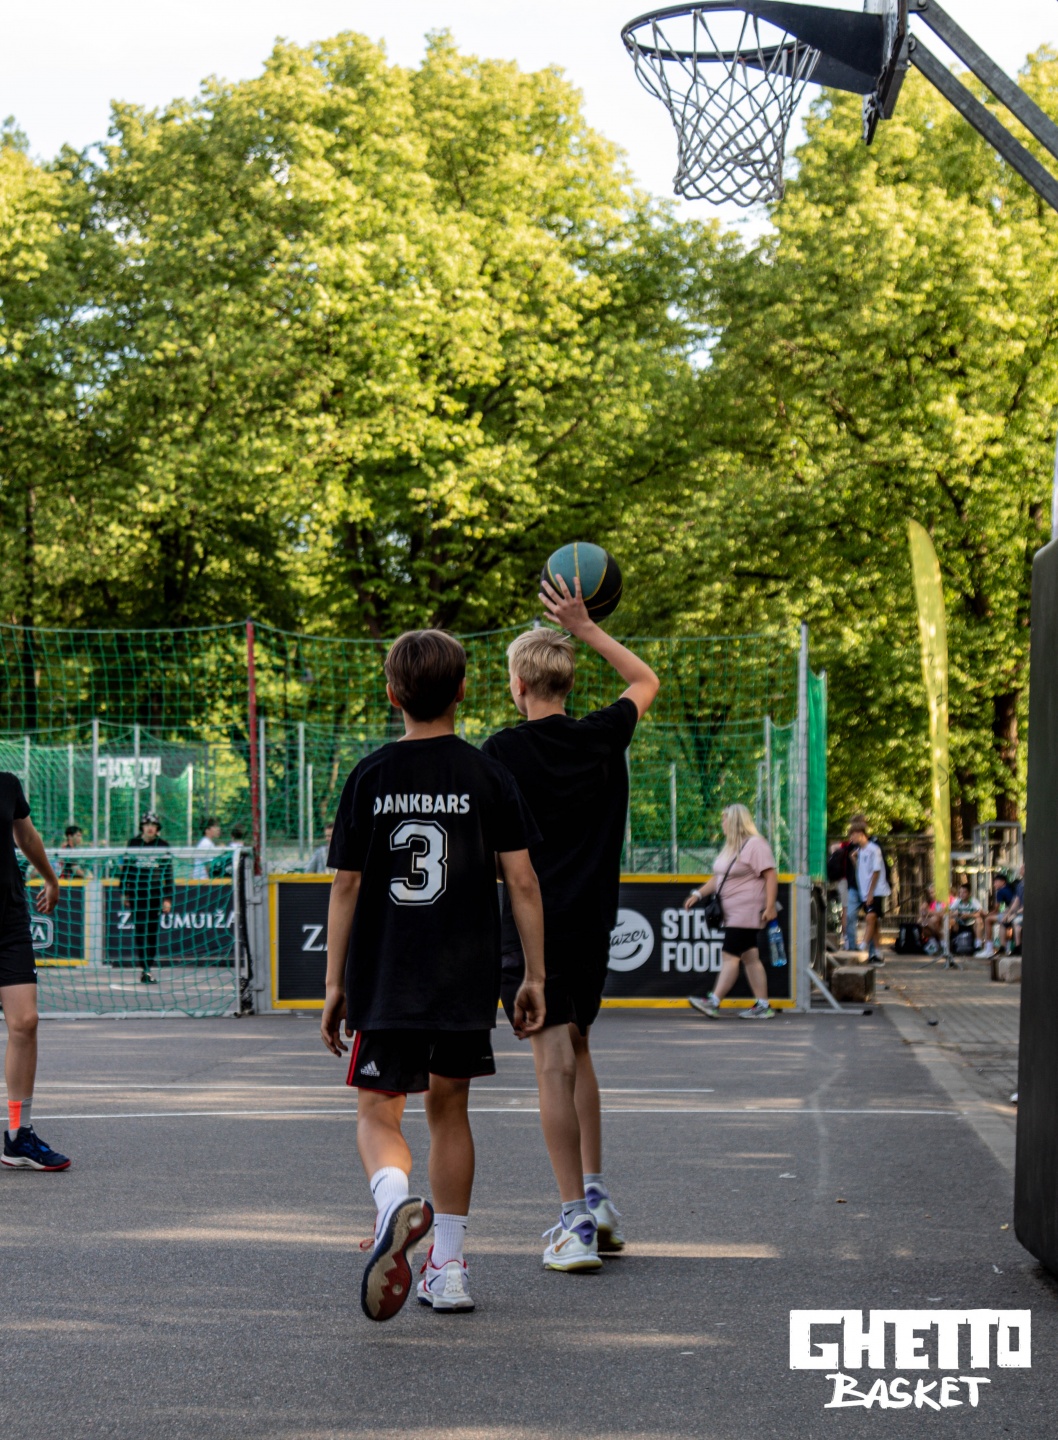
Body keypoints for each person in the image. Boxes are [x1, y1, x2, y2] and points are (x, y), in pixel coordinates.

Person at [321, 629, 546, 1322]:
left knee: (376, 1110)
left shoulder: (370, 775)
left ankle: (394, 1202)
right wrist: (534, 975)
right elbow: (523, 882)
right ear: (463, 690)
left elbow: (346, 886)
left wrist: (333, 985)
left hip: (386, 974)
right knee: (450, 1111)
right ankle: (447, 1267)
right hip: (463, 976)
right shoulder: (488, 775)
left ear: (392, 695)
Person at [481, 577, 659, 1268]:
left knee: (551, 1062)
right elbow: (644, 679)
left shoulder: (501, 752)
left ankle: (574, 1222)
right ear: (567, 681)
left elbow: (495, 856)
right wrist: (585, 626)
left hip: (534, 924)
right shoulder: (602, 737)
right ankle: (596, 1196)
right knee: (578, 1048)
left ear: (520, 685)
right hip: (592, 920)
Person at [0, 771, 69, 1170]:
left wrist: (50, 878)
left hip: (9, 917)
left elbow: (25, 836)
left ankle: (18, 1135)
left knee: (25, 1021)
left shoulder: (6, 784)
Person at [685, 805, 780, 1019]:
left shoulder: (756, 844)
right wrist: (698, 894)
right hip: (732, 913)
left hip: (746, 912)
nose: (722, 823)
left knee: (730, 956)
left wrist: (770, 906)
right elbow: (719, 877)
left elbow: (770, 875)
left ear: (735, 821)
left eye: (724, 819)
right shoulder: (731, 847)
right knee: (750, 957)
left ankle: (714, 1001)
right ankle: (763, 1005)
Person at [118, 812, 174, 985]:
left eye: (153, 825)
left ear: (157, 828)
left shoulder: (163, 845)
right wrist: (124, 891)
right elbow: (126, 870)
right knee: (140, 931)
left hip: (155, 894)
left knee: (152, 932)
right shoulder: (134, 844)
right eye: (147, 825)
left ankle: (148, 968)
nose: (150, 828)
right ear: (142, 827)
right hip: (137, 894)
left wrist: (167, 898)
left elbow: (168, 873)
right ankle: (145, 968)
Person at [849, 821, 889, 964]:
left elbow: (876, 872)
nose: (851, 839)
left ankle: (863, 944)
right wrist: (854, 859)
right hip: (865, 891)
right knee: (875, 923)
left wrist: (871, 893)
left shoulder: (874, 849)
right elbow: (862, 870)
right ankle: (878, 953)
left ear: (861, 834)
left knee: (870, 917)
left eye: (853, 835)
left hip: (876, 890)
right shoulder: (860, 851)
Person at [950, 881, 984, 950]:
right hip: (959, 923)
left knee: (979, 920)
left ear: (969, 893)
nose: (961, 894)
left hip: (971, 924)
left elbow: (980, 913)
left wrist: (968, 915)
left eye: (964, 892)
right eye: (960, 892)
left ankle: (978, 945)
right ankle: (950, 943)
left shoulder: (973, 901)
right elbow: (949, 912)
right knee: (950, 921)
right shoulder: (957, 901)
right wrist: (954, 914)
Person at [918, 884, 945, 954]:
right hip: (932, 922)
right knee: (921, 921)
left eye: (932, 892)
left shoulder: (942, 900)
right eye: (929, 893)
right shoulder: (929, 902)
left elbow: (942, 913)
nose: (931, 895)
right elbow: (923, 912)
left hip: (943, 921)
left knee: (934, 919)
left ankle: (941, 941)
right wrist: (923, 911)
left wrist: (929, 912)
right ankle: (934, 942)